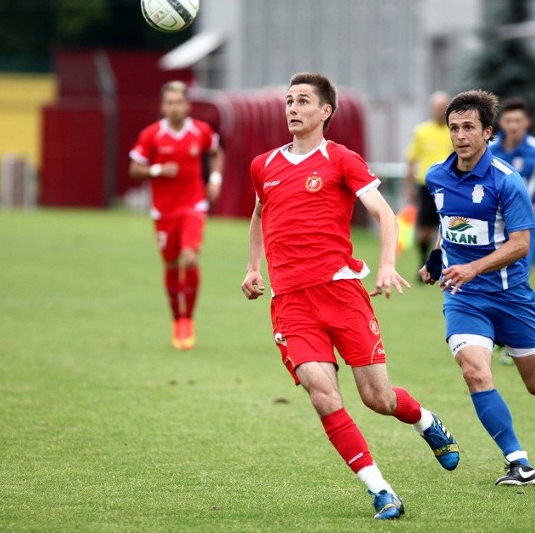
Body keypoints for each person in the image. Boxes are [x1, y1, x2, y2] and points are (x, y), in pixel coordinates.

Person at [241, 72, 459, 520]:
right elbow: (259, 216)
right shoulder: (264, 165)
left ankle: (425, 421)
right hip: (290, 303)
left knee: (377, 398)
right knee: (321, 394)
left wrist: (384, 265)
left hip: (341, 293)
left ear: (325, 112)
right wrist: (252, 268)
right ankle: (382, 492)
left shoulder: (341, 159)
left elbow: (385, 214)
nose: (293, 108)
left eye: (303, 101)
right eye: (289, 101)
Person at [419, 89, 535, 487]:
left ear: (488, 132)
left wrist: (472, 267)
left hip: (510, 296)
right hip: (465, 298)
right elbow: (447, 225)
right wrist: (438, 260)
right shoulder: (436, 176)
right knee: (474, 371)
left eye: (468, 127)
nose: (460, 135)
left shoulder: (507, 182)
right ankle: (518, 462)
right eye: (454, 128)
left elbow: (521, 244)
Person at [129, 80, 225, 350]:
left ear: (187, 105)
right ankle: (176, 319)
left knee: (190, 258)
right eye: (169, 103)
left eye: (179, 102)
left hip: (193, 205)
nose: (174, 107)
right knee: (171, 265)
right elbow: (134, 168)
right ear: (162, 106)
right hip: (164, 210)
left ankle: (187, 320)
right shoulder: (151, 135)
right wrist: (157, 171)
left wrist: (215, 179)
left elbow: (217, 152)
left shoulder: (201, 131)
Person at [488, 98, 535, 268]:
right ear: (501, 122)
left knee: (518, 277)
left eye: (518, 121)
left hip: (523, 223)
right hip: (492, 221)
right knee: (488, 277)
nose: (513, 126)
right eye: (508, 121)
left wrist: (534, 208)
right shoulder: (489, 149)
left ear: (527, 123)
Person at [405, 91, 454, 271]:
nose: (441, 112)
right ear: (432, 109)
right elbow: (411, 160)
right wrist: (409, 186)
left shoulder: (454, 131)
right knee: (425, 230)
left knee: (449, 226)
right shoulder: (421, 131)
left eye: (444, 108)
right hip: (427, 187)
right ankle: (423, 261)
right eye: (438, 108)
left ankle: (445, 264)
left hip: (451, 187)